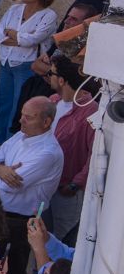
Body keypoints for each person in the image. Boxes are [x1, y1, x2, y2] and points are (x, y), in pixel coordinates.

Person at [0, 96, 63, 274]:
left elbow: (12, 186)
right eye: (22, 115)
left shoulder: (48, 153)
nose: (21, 121)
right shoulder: (20, 136)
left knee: (12, 272)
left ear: (46, 122)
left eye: (28, 117)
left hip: (20, 221)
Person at [0, 0, 58, 146]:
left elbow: (33, 40)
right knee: (2, 104)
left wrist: (13, 34)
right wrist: (19, 39)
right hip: (6, 62)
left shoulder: (48, 16)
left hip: (26, 65)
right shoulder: (15, 9)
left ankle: (11, 144)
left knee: (18, 108)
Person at [46, 55, 96, 242]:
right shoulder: (52, 101)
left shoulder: (90, 110)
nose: (48, 76)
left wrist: (76, 183)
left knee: (59, 240)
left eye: (51, 73)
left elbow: (94, 154)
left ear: (61, 80)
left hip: (66, 190)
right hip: (45, 184)